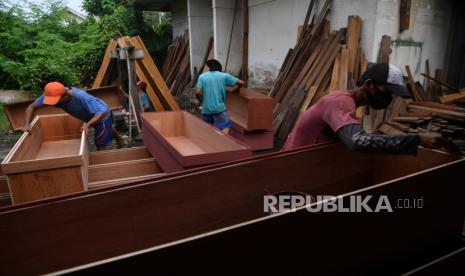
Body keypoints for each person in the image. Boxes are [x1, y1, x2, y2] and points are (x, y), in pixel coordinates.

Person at [282, 63, 442, 154]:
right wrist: (417, 140)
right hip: (293, 163)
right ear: (369, 85)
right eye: (387, 91)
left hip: (310, 162)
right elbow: (358, 142)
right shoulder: (340, 103)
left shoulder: (348, 102)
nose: (389, 98)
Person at [22, 82, 124, 151]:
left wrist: (87, 125)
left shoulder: (81, 97)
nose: (53, 104)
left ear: (66, 95)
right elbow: (31, 107)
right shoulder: (51, 94)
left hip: (101, 116)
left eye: (56, 101)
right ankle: (120, 140)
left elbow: (101, 112)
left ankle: (103, 165)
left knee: (100, 144)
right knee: (106, 129)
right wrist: (27, 124)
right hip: (88, 114)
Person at [196, 59, 245, 134]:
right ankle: (222, 142)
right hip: (219, 108)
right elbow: (241, 83)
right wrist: (236, 89)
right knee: (225, 126)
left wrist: (202, 101)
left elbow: (197, 92)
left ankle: (209, 143)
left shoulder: (202, 77)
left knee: (207, 127)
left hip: (206, 109)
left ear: (209, 68)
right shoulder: (224, 75)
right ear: (219, 68)